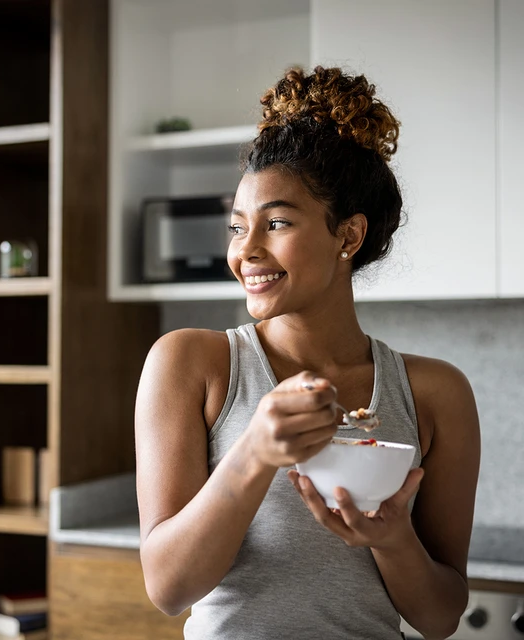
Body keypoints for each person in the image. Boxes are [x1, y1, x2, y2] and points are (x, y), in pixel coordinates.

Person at [134, 66, 480, 640]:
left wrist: (392, 540)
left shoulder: (434, 393)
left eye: (276, 223)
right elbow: (168, 589)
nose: (246, 251)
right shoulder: (192, 364)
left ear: (347, 236)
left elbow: (441, 617)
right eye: (237, 226)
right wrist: (255, 452)